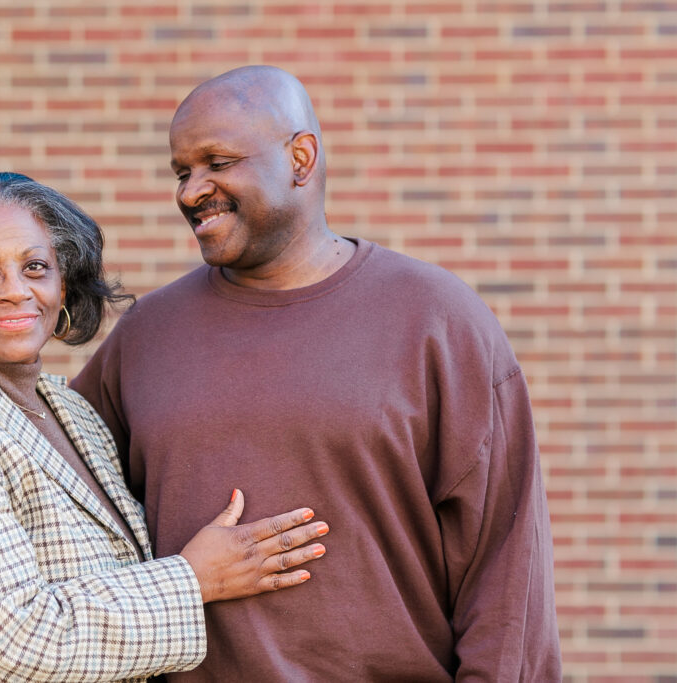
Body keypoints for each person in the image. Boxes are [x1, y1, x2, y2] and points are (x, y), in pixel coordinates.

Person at [72, 66, 562, 681]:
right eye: (181, 171)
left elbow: (506, 568)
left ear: (300, 158)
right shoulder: (147, 335)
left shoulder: (437, 320)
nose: (191, 191)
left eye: (217, 163)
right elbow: (55, 498)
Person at [0, 171, 330, 682]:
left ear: (63, 284)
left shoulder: (68, 411)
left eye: (35, 268)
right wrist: (194, 580)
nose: (14, 291)